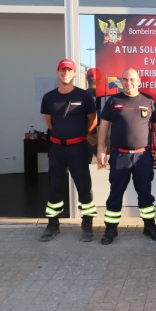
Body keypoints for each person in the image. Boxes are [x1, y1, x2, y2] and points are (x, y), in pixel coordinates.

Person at [97, 68, 156, 244]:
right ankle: (111, 229)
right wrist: (100, 149)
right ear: (121, 81)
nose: (129, 83)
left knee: (145, 193)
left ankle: (149, 226)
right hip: (120, 156)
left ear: (139, 81)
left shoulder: (148, 101)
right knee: (115, 193)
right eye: (125, 80)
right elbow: (103, 125)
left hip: (143, 156)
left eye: (132, 79)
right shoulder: (113, 101)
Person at [39, 59, 98, 242]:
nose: (66, 73)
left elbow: (93, 120)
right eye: (62, 70)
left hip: (78, 148)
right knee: (54, 186)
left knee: (84, 187)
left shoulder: (84, 97)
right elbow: (49, 122)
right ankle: (53, 224)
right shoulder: (49, 97)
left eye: (69, 70)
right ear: (57, 72)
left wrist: (85, 135)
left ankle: (87, 224)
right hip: (57, 148)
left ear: (74, 74)